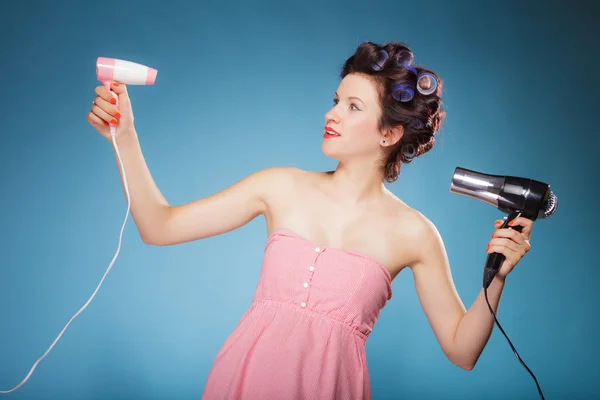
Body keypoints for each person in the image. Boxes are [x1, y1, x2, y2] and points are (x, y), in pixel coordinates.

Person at [87, 41, 533, 400]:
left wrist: (498, 274)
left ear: (389, 133)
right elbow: (158, 226)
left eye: (352, 107)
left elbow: (462, 350)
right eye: (336, 101)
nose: (331, 113)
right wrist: (124, 135)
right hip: (242, 382)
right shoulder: (279, 185)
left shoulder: (414, 233)